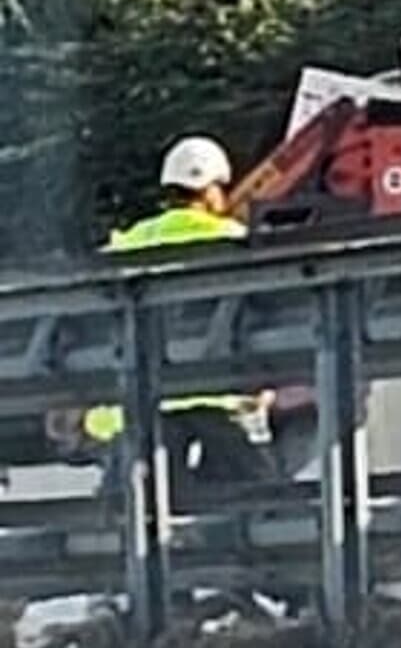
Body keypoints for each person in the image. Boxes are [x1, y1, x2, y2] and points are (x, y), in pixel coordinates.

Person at [73, 136, 278, 502]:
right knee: (260, 497)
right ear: (212, 189)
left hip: (147, 403)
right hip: (216, 398)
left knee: (130, 504)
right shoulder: (234, 239)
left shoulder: (132, 241)